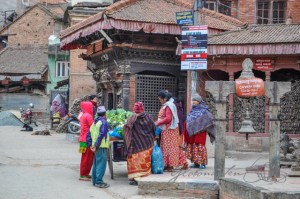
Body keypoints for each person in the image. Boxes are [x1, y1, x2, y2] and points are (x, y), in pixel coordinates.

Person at [123, 102, 156, 185]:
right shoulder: (148, 116)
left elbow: (126, 128)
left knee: (135, 161)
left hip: (135, 144)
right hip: (147, 143)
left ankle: (136, 178)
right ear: (142, 108)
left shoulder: (132, 117)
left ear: (134, 109)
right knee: (145, 161)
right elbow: (153, 127)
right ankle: (144, 176)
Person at [155, 90, 188, 172]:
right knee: (169, 147)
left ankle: (171, 165)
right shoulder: (166, 105)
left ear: (165, 98)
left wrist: (157, 123)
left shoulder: (169, 106)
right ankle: (171, 164)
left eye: (160, 99)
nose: (159, 100)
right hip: (167, 129)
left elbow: (168, 119)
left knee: (170, 148)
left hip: (170, 129)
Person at [184, 93, 216, 169]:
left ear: (199, 101)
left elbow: (210, 119)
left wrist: (203, 125)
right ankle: (196, 163)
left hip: (201, 132)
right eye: (193, 100)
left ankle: (202, 163)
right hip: (192, 133)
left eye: (195, 100)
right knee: (193, 146)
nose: (193, 102)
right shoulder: (192, 110)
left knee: (200, 146)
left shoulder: (205, 110)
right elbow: (189, 120)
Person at [86, 106, 110, 188]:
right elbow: (102, 134)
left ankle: (94, 180)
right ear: (105, 114)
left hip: (95, 146)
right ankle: (99, 182)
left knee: (96, 163)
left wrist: (90, 145)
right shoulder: (103, 122)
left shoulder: (94, 122)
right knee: (101, 164)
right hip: (101, 146)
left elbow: (88, 134)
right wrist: (96, 145)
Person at [79, 101, 94, 181]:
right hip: (87, 139)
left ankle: (85, 173)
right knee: (87, 158)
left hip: (82, 139)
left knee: (84, 157)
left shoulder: (82, 115)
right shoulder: (88, 116)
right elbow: (93, 126)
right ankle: (83, 175)